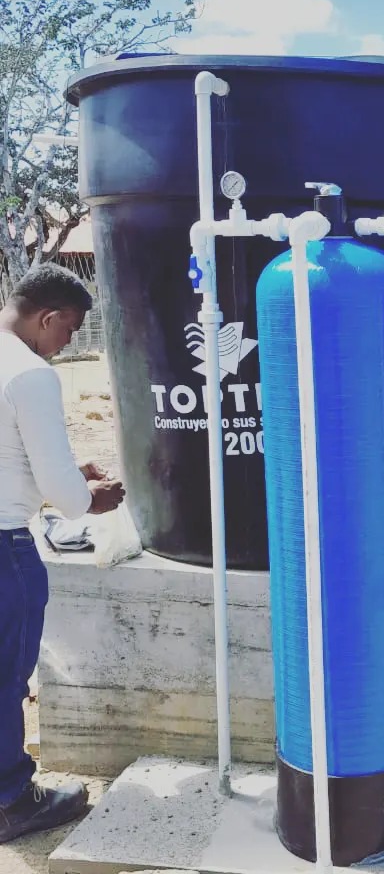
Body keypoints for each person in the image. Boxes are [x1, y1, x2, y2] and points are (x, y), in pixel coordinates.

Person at [0, 264, 125, 843]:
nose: (69, 342)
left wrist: (67, 474)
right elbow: (64, 494)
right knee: (6, 679)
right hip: (6, 550)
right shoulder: (30, 373)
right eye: (70, 329)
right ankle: (11, 802)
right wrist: (87, 496)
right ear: (48, 317)